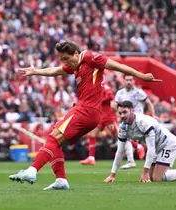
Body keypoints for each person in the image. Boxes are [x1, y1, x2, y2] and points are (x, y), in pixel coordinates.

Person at [9, 40, 161, 190]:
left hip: (86, 109)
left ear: (76, 53)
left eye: (66, 59)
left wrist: (140, 75)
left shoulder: (89, 57)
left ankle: (32, 170)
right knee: (56, 144)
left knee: (52, 138)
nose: (65, 63)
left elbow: (117, 66)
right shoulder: (74, 66)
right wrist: (36, 71)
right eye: (62, 59)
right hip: (90, 113)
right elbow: (55, 71)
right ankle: (61, 180)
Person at [103, 101, 176, 183]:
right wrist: (112, 175)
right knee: (151, 178)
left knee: (157, 179)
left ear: (132, 111)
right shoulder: (123, 127)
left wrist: (145, 172)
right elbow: (120, 152)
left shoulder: (143, 123)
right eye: (120, 113)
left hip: (169, 144)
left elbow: (151, 148)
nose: (122, 115)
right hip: (157, 148)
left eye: (125, 112)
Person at [111, 75, 155, 169]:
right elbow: (116, 107)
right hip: (126, 121)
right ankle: (133, 157)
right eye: (127, 80)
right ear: (123, 81)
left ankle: (140, 153)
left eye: (130, 80)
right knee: (123, 139)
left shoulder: (139, 92)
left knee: (144, 139)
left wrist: (153, 116)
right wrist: (114, 108)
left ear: (134, 81)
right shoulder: (120, 93)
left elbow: (149, 103)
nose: (128, 82)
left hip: (139, 121)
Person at [79, 83, 118, 165]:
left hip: (108, 116)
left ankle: (137, 146)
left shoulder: (104, 84)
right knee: (91, 134)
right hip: (100, 116)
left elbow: (111, 96)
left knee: (118, 134)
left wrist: (99, 100)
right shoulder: (94, 86)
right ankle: (91, 158)